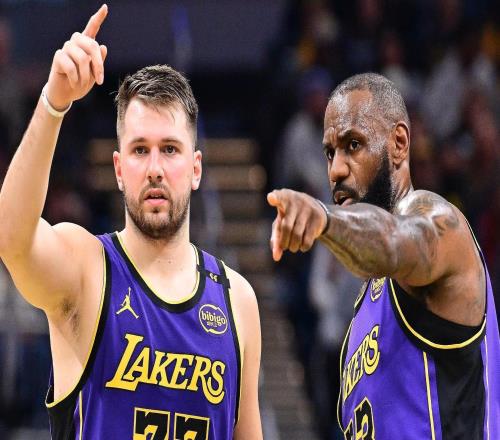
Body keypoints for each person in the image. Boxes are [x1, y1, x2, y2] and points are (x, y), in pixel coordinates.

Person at [0, 5, 262, 439]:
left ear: (196, 168)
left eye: (170, 149)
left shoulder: (238, 301)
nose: (155, 168)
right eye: (140, 150)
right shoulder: (86, 268)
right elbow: (11, 238)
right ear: (119, 169)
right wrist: (53, 103)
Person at [267, 72, 499, 439]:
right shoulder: (359, 320)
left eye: (353, 145)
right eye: (329, 153)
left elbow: (392, 240)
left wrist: (324, 217)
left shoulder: (440, 224)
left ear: (399, 143)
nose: (336, 169)